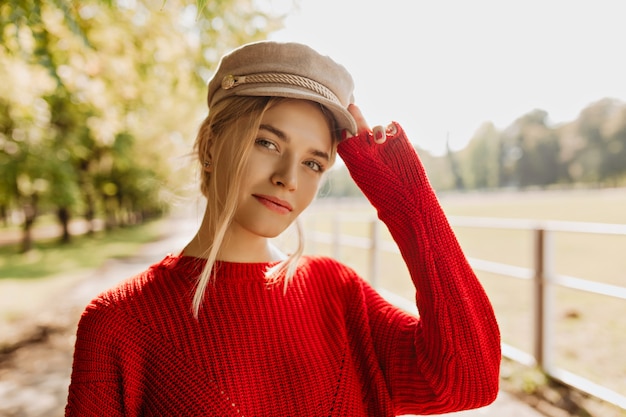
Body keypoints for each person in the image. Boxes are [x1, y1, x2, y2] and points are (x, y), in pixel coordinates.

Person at [65, 41, 501, 416]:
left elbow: (471, 379)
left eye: (314, 162)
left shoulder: (337, 292)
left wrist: (404, 199)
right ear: (211, 145)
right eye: (268, 142)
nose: (289, 177)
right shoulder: (118, 323)